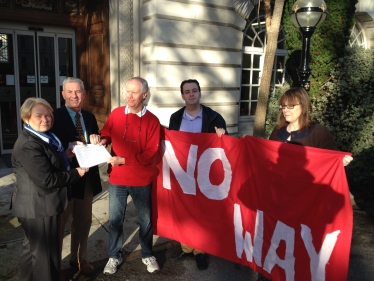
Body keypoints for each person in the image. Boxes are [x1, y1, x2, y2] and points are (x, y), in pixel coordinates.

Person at [11, 97, 88, 281]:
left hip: (39, 205)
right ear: (26, 118)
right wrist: (77, 172)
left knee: (32, 252)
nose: (45, 119)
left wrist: (67, 156)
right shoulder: (29, 144)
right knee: (46, 258)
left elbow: (49, 164)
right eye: (39, 115)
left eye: (48, 115)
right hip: (40, 207)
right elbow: (46, 179)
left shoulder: (43, 136)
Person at [99, 77, 161, 275]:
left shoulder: (153, 120)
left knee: (145, 221)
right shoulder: (116, 113)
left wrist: (123, 160)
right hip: (117, 179)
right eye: (127, 91)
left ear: (144, 94)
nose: (129, 96)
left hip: (141, 180)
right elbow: (106, 133)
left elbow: (151, 153)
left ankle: (147, 254)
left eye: (134, 92)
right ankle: (114, 256)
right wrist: (101, 140)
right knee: (116, 220)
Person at [168, 79, 227, 270]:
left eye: (194, 90)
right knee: (184, 210)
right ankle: (186, 247)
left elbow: (224, 146)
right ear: (182, 95)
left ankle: (200, 250)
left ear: (200, 93)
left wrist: (222, 135)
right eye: (187, 92)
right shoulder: (176, 118)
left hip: (204, 173)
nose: (191, 94)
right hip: (183, 172)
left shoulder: (214, 118)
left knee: (201, 212)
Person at [52, 77, 102, 275]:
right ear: (63, 94)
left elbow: (94, 142)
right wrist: (68, 149)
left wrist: (99, 141)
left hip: (87, 180)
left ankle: (79, 260)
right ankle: (53, 268)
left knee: (83, 223)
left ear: (84, 94)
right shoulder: (54, 117)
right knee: (58, 226)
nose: (74, 95)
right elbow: (49, 151)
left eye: (78, 91)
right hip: (65, 181)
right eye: (70, 92)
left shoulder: (89, 117)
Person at [269, 87, 353, 166]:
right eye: (283, 106)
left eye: (291, 106)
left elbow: (332, 155)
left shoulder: (318, 131)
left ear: (303, 106)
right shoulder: (277, 131)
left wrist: (341, 160)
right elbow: (268, 156)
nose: (285, 110)